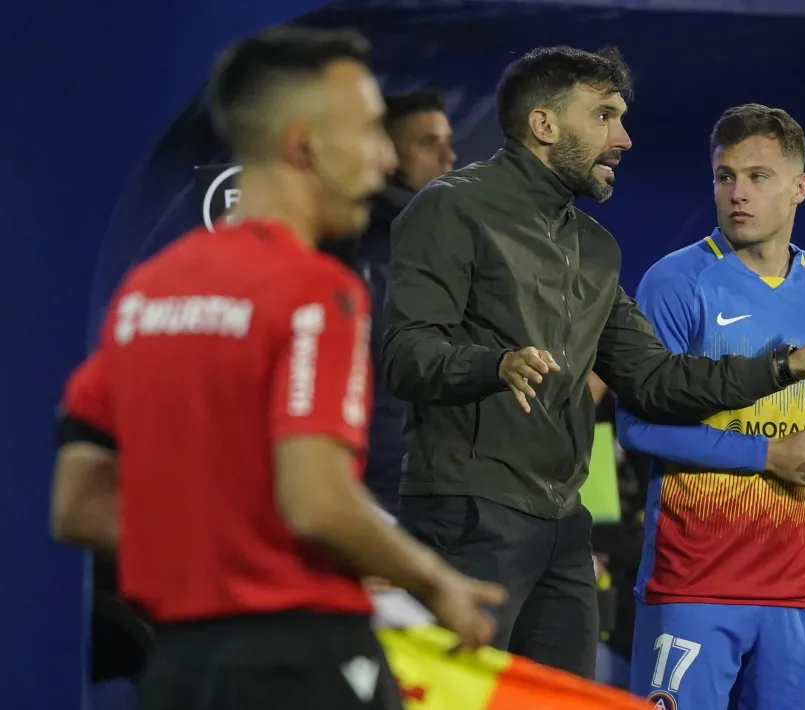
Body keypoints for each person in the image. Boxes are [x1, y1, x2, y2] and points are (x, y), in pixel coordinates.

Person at [48, 27, 504, 710]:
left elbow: (77, 504)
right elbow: (316, 499)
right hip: (303, 663)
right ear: (303, 144)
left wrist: (219, 544)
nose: (382, 158)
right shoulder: (316, 290)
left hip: (177, 666)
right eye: (370, 131)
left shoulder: (145, 294)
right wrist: (434, 581)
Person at [381, 47, 805, 679]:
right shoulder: (452, 207)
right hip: (467, 511)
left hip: (562, 525)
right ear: (545, 125)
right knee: (449, 695)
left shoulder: (593, 247)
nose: (624, 137)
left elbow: (659, 380)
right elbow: (404, 354)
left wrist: (784, 367)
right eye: (605, 116)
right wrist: (493, 365)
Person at [614, 104, 805, 710]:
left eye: (759, 177)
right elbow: (636, 426)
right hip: (694, 582)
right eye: (724, 176)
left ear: (799, 188)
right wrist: (767, 453)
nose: (738, 194)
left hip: (797, 588)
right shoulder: (676, 282)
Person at [359, 91, 456, 514]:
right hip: (378, 494)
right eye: (426, 142)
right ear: (385, 154)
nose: (447, 156)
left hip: (449, 491)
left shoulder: (455, 246)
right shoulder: (354, 254)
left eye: (447, 141)